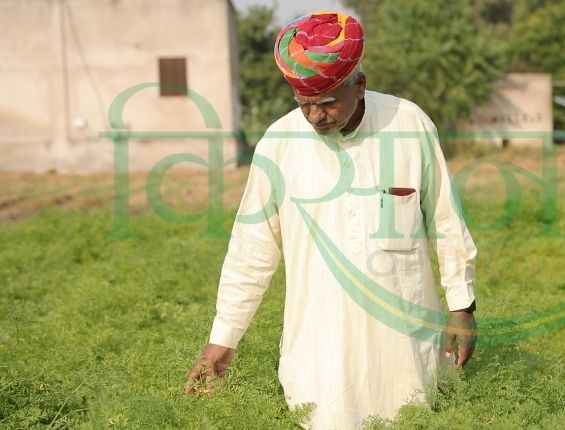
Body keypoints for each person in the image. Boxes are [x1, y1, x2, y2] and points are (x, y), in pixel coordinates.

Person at [185, 12, 478, 429]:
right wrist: (223, 338)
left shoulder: (409, 124)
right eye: (304, 104)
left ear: (359, 85)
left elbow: (447, 220)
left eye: (326, 103)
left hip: (404, 346)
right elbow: (251, 250)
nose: (316, 116)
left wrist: (462, 305)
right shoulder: (279, 145)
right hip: (320, 350)